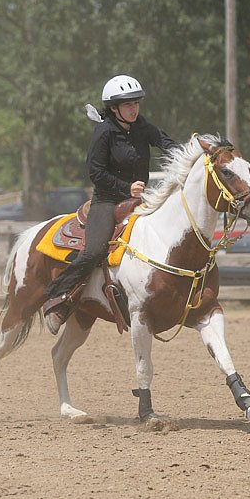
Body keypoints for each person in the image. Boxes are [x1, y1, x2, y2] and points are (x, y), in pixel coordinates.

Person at [42, 74, 178, 335]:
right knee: (93, 251)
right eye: (128, 105)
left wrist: (190, 154)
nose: (134, 108)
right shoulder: (103, 132)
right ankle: (58, 297)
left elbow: (164, 142)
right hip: (107, 200)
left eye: (136, 103)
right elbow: (96, 173)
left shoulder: (141, 125)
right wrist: (125, 188)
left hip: (138, 200)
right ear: (113, 108)